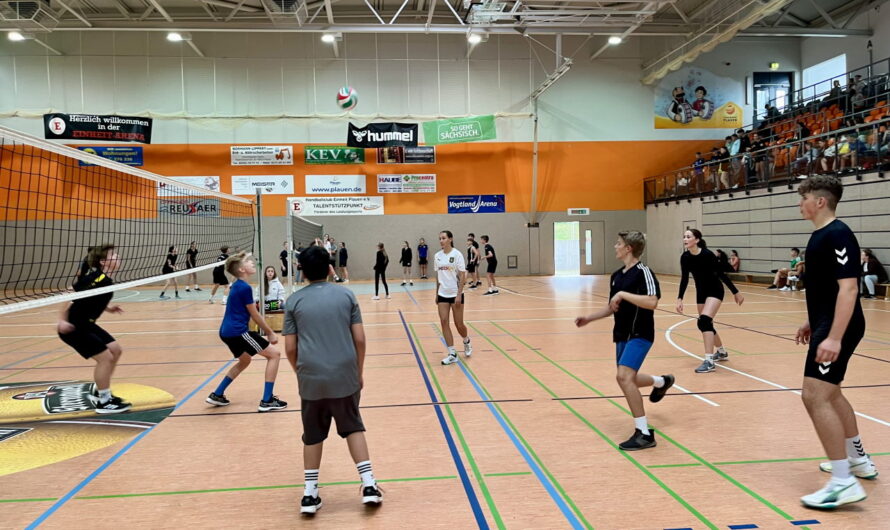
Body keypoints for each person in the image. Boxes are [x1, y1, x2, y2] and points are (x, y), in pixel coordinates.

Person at [794, 175, 875, 509]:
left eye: (804, 198)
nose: (800, 204)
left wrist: (835, 337)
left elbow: (849, 288)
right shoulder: (820, 237)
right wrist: (814, 321)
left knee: (814, 396)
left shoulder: (838, 234)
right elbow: (826, 289)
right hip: (827, 323)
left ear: (820, 201)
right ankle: (858, 460)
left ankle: (843, 482)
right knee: (832, 393)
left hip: (840, 327)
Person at [282, 245, 383, 515]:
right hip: (344, 373)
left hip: (311, 376)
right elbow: (360, 339)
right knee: (353, 426)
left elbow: (290, 349)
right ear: (330, 268)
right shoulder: (347, 295)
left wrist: (300, 372)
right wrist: (358, 371)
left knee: (312, 434)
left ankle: (309, 493)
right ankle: (369, 485)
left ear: (301, 271)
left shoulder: (293, 301)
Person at [575, 231, 673, 451]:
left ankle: (644, 433)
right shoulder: (617, 276)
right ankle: (661, 382)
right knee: (629, 379)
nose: (614, 246)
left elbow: (652, 301)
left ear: (628, 248)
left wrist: (623, 294)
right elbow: (612, 308)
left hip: (640, 334)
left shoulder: (643, 272)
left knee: (623, 377)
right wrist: (589, 318)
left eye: (618, 243)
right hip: (621, 334)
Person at [206, 252, 287, 413]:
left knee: (245, 360)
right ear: (242, 269)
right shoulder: (244, 288)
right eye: (249, 262)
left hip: (226, 332)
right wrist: (270, 332)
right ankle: (267, 400)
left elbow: (233, 264)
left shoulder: (237, 284)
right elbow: (255, 314)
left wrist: (242, 255)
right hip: (238, 332)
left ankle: (217, 394)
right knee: (274, 355)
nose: (252, 264)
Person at [57, 243, 131, 413]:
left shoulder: (105, 279)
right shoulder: (96, 278)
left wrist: (108, 308)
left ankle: (102, 393)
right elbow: (69, 293)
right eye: (113, 255)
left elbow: (91, 297)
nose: (118, 257)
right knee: (105, 357)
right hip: (74, 326)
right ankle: (104, 402)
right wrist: (61, 320)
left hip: (87, 324)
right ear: (103, 262)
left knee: (116, 350)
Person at [676, 228, 745, 373]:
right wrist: (679, 298)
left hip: (715, 289)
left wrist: (735, 292)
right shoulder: (685, 257)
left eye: (688, 237)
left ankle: (709, 361)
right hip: (701, 292)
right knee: (705, 324)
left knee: (704, 321)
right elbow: (684, 279)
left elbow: (721, 274)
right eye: (684, 237)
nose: (685, 239)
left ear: (697, 240)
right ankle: (721, 352)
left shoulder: (708, 255)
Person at [437, 231, 472, 365]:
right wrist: (436, 293)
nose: (441, 240)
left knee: (459, 324)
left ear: (450, 239)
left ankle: (466, 340)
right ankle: (452, 353)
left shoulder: (457, 255)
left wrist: (459, 294)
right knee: (444, 321)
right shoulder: (437, 256)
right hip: (442, 293)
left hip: (455, 294)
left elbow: (463, 276)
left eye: (444, 238)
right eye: (440, 238)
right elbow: (438, 276)